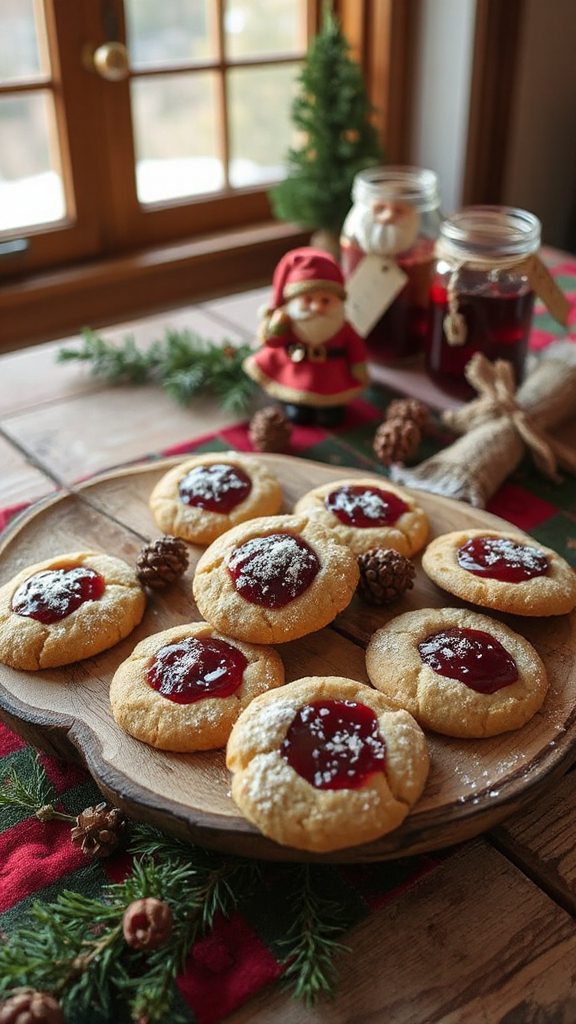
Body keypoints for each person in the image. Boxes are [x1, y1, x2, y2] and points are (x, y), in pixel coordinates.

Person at [243, 247, 370, 426]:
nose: (317, 308)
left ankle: (330, 409)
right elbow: (272, 342)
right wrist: (274, 326)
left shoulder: (343, 328)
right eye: (308, 300)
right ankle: (297, 405)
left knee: (332, 418)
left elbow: (356, 349)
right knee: (298, 417)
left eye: (325, 300)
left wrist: (359, 368)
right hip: (295, 375)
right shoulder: (288, 322)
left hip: (332, 380)